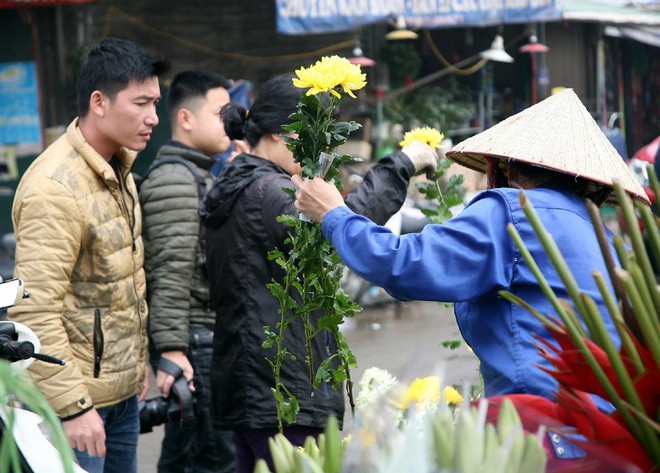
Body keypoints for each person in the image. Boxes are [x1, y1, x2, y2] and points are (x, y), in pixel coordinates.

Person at [291, 89, 650, 465]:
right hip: (609, 435)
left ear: (507, 168)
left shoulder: (514, 212)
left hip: (539, 433)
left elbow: (404, 264)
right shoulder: (606, 238)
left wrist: (334, 213)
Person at [202, 73, 437, 473]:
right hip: (281, 393)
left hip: (253, 389)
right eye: (310, 133)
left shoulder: (238, 184)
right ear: (278, 134)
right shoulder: (269, 192)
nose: (321, 147)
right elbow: (344, 225)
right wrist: (402, 164)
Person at [9, 37, 169, 473]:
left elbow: (121, 286)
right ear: (99, 102)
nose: (154, 117)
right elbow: (36, 312)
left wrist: (134, 371)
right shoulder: (54, 187)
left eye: (156, 102)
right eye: (141, 103)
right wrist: (75, 407)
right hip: (74, 408)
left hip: (118, 397)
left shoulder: (119, 166)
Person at [138, 70, 235, 473]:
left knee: (191, 456)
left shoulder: (196, 173)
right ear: (186, 119)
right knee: (209, 459)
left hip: (200, 339)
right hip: (194, 344)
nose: (230, 123)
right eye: (220, 113)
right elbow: (170, 274)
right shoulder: (176, 181)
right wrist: (174, 352)